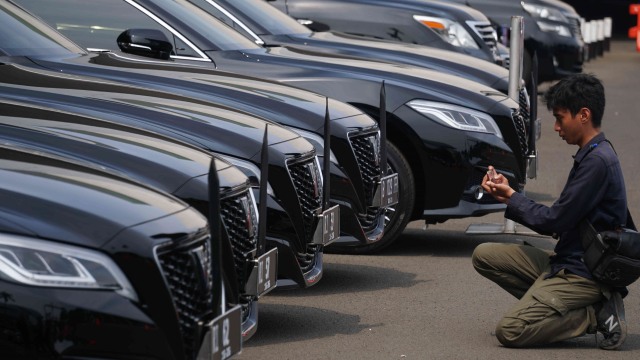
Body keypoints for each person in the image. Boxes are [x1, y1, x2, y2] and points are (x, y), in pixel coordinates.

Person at [473, 73, 630, 350]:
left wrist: (511, 197)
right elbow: (561, 218)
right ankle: (552, 304)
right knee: (484, 256)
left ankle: (594, 314)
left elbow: (554, 221)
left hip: (583, 273)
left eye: (560, 118)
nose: (556, 127)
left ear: (583, 115)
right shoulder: (593, 153)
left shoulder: (597, 163)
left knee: (510, 330)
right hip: (566, 261)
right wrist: (510, 195)